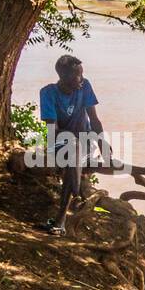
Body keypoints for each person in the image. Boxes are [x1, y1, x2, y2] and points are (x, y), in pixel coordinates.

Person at [37, 55, 107, 236]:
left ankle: (62, 218)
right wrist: (73, 140)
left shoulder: (84, 87)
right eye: (78, 75)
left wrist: (103, 144)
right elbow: (53, 130)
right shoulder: (48, 93)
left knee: (74, 156)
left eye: (82, 74)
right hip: (59, 143)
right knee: (72, 149)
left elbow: (95, 120)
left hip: (84, 142)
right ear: (65, 77)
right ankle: (73, 200)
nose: (81, 79)